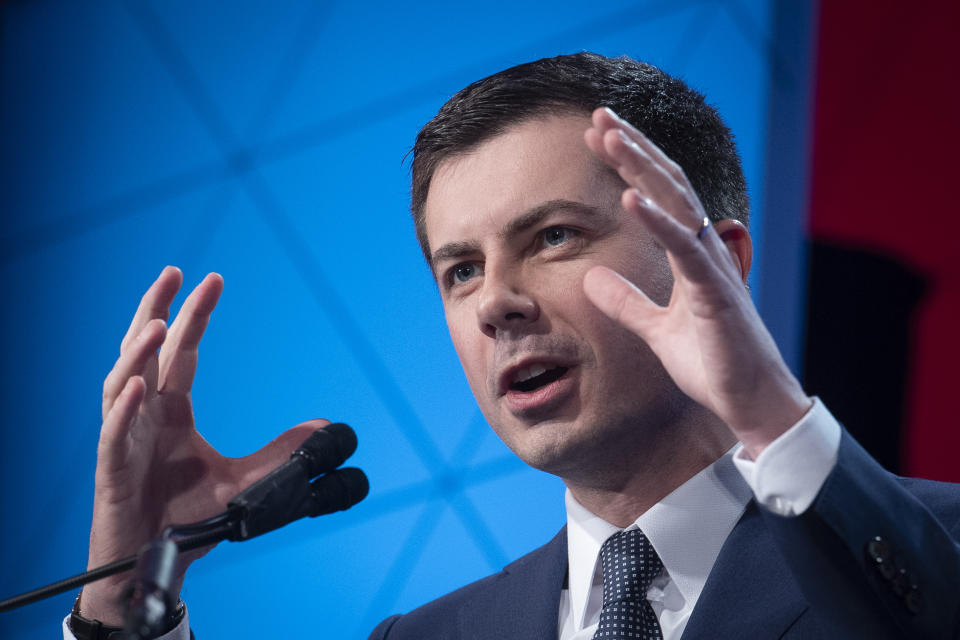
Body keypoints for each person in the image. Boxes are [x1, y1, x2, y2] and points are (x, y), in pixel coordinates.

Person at [64, 53, 960, 640]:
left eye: (554, 237)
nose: (495, 301)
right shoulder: (424, 639)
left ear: (715, 263)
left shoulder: (934, 553)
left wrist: (769, 412)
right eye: (459, 270)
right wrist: (123, 599)